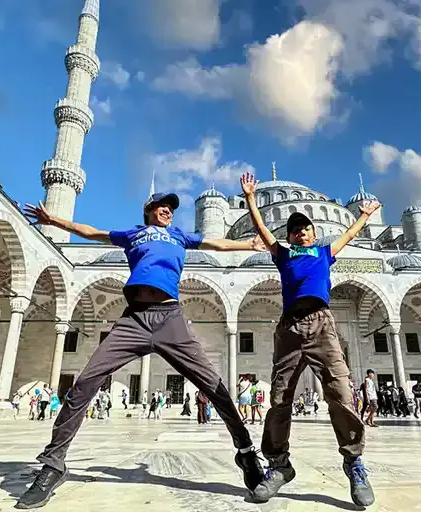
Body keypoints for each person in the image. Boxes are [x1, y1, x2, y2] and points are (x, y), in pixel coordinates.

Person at [14, 195, 265, 509]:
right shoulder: (133, 233)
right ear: (148, 210)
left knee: (215, 387)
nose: (168, 210)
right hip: (134, 318)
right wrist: (54, 221)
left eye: (171, 208)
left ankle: (246, 455)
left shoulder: (179, 235)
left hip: (170, 317)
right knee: (84, 385)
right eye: (162, 205)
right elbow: (91, 233)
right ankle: (53, 465)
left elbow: (217, 245)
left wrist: (248, 246)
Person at [239, 172, 377, 507]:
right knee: (279, 398)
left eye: (305, 229)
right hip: (289, 327)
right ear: (289, 236)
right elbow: (261, 229)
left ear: (314, 233)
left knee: (341, 393)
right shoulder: (283, 254)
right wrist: (250, 199)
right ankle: (279, 465)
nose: (300, 232)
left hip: (321, 324)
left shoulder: (324, 252)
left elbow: (348, 235)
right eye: (295, 230)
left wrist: (364, 216)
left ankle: (354, 462)